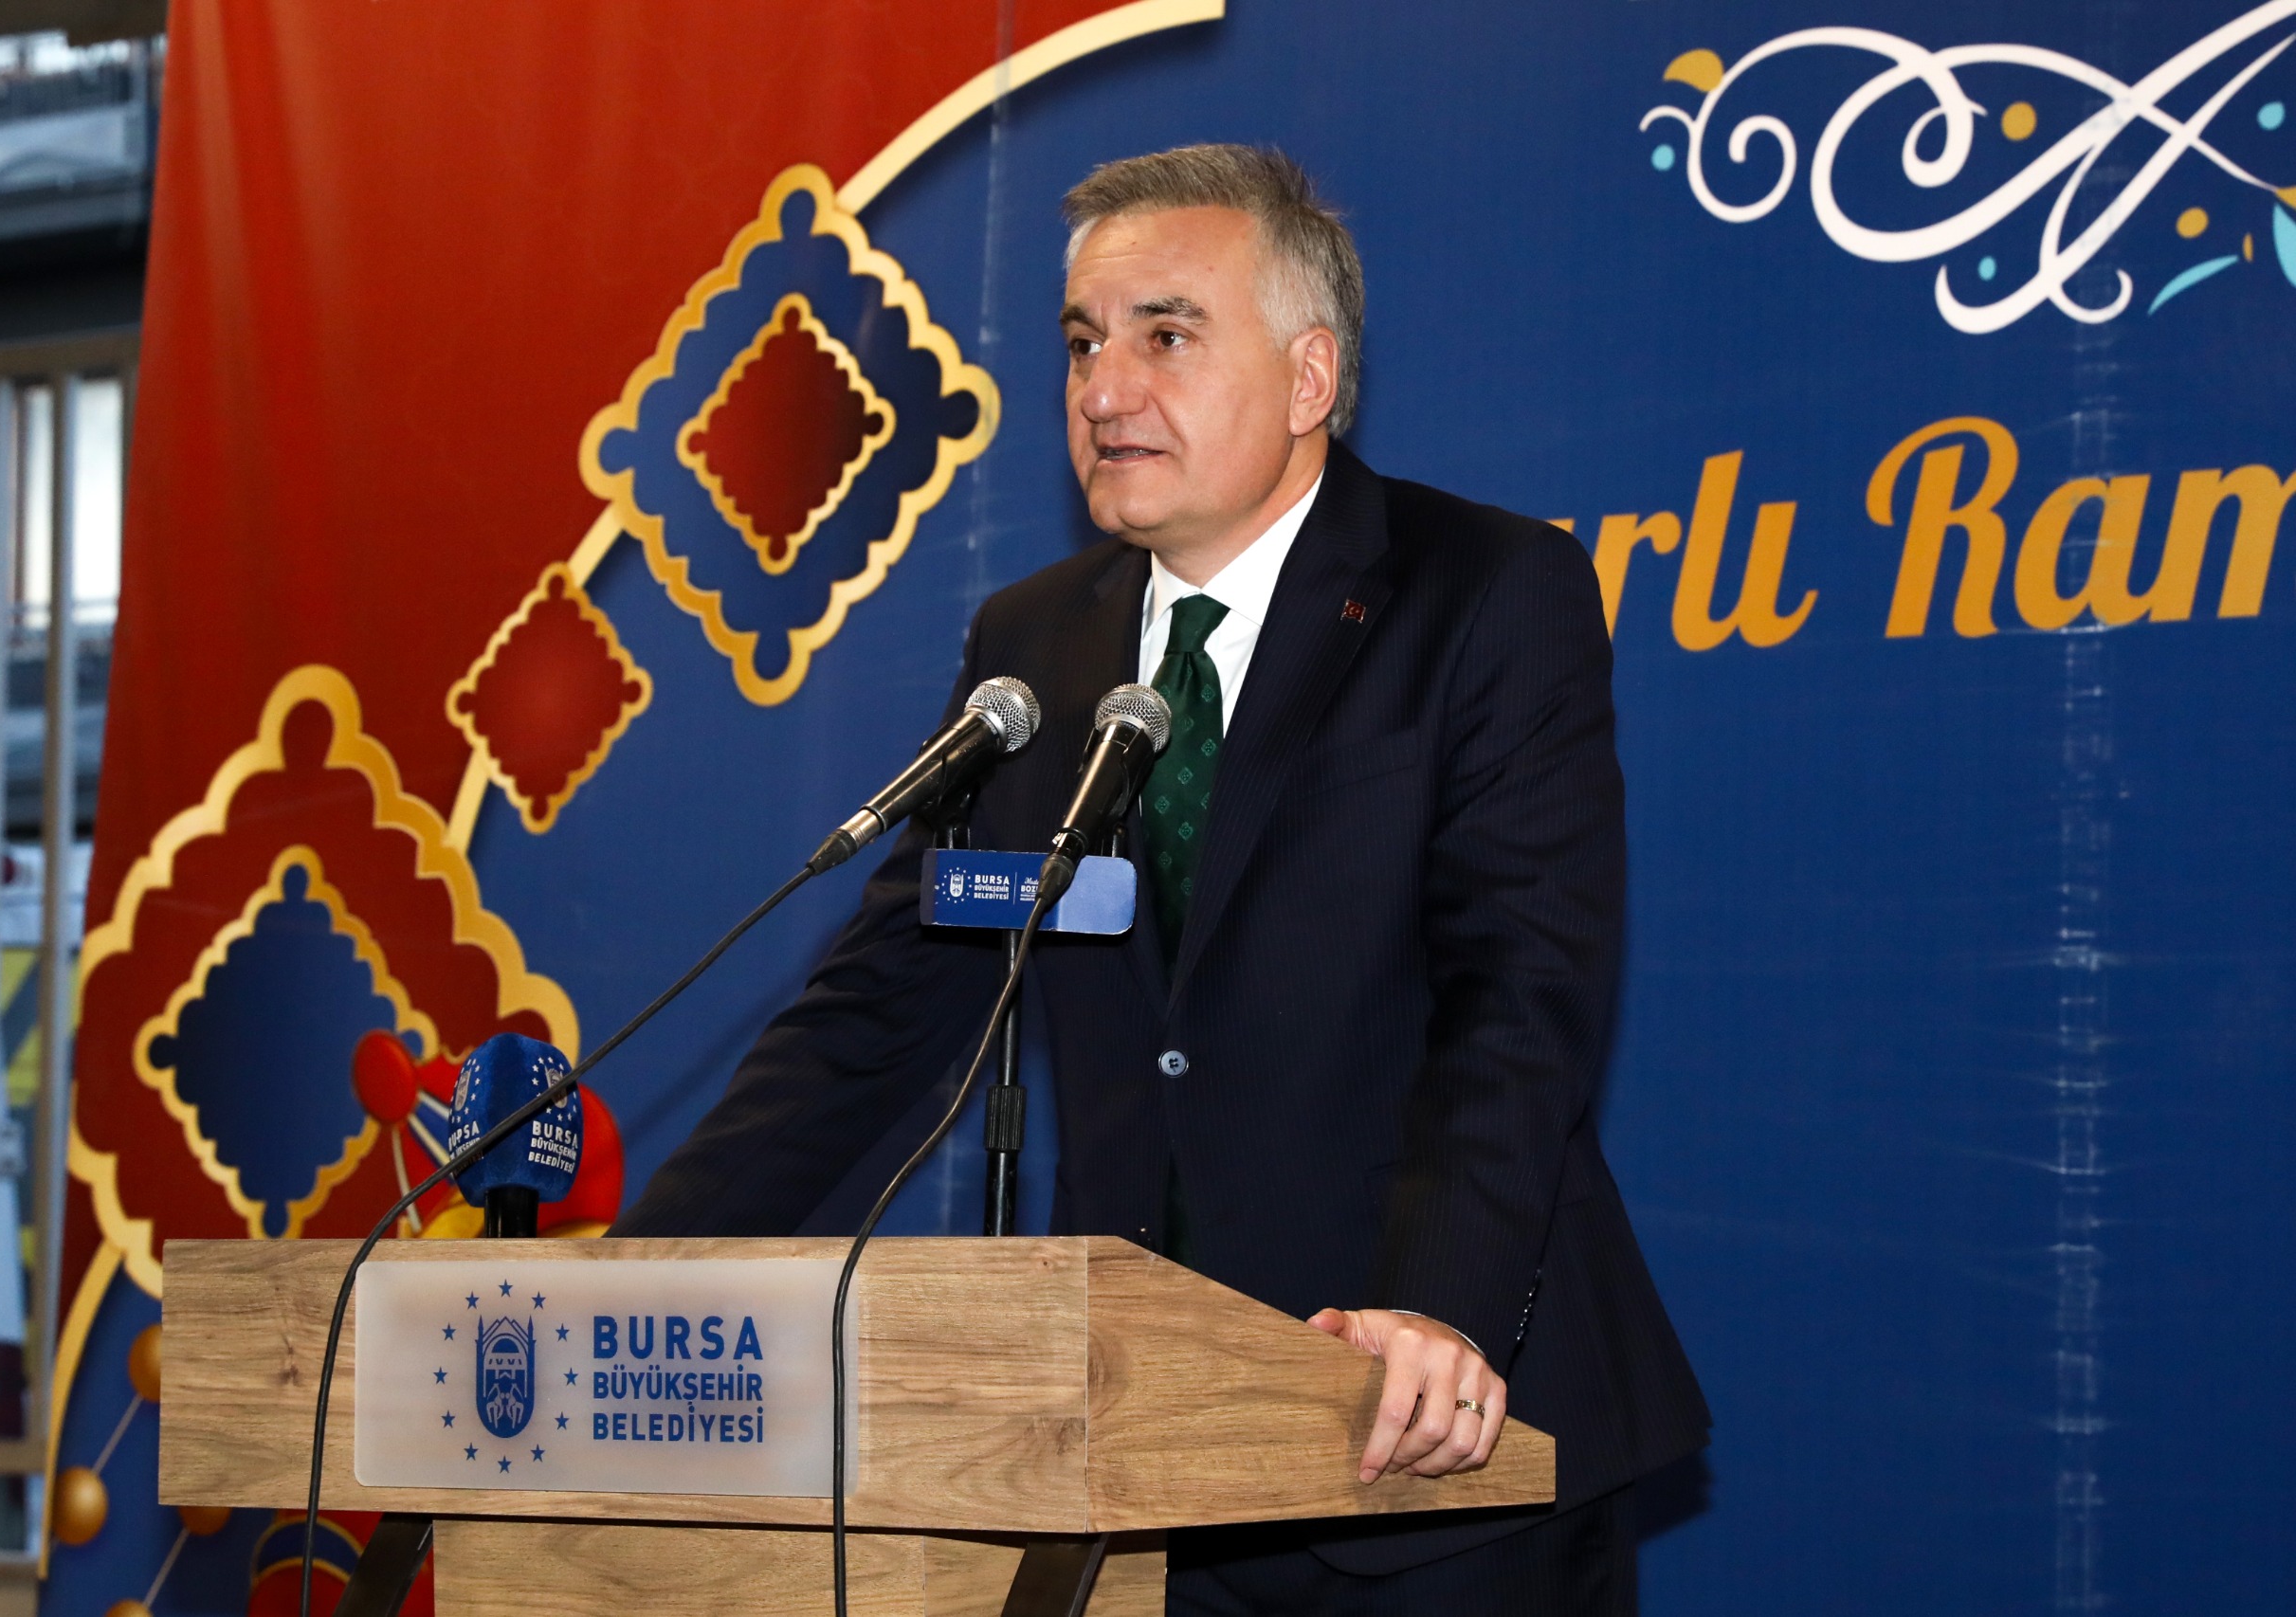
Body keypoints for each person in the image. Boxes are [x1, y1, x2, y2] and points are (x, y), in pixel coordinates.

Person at [613, 143, 1707, 1614]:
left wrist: (1436, 1307)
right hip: (1136, 1456)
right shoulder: (1033, 646)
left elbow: (1521, 998)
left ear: (1310, 377)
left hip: (1427, 1454)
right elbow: (877, 1011)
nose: (1105, 389)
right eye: (1082, 342)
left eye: (1166, 335)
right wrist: (633, 1279)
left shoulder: (1483, 591)